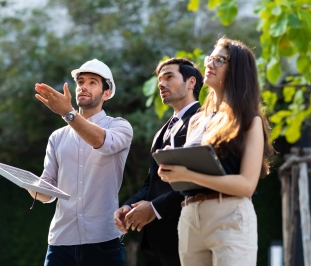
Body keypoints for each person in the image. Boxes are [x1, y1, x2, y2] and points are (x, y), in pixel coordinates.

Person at [156, 38, 273, 266]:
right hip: (190, 215)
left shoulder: (250, 120)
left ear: (237, 70)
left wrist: (187, 175)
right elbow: (192, 173)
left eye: (219, 60)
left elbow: (247, 185)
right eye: (210, 58)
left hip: (230, 214)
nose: (209, 63)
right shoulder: (196, 121)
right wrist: (173, 166)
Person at [31, 59, 133, 266]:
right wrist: (31, 187)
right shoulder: (57, 137)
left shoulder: (120, 126)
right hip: (60, 242)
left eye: (92, 82)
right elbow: (47, 192)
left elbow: (101, 142)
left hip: (103, 241)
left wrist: (68, 113)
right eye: (81, 82)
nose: (84, 86)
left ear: (106, 93)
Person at [113, 58, 203, 266]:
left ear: (191, 83)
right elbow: (151, 182)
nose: (161, 84)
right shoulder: (162, 130)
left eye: (169, 77)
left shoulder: (203, 121)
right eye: (159, 79)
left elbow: (199, 179)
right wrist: (128, 206)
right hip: (153, 243)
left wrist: (154, 208)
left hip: (186, 236)